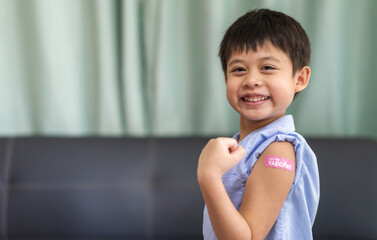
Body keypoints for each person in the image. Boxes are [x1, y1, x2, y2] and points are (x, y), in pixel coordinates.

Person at [197, 9, 320, 240]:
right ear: (226, 79)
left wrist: (209, 176)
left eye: (267, 68)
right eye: (238, 69)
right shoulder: (243, 144)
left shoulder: (279, 149)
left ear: (300, 79)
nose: (251, 80)